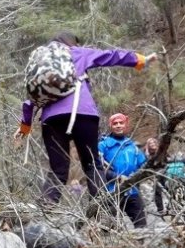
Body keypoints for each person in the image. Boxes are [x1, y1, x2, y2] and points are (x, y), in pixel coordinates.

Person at [15, 31, 156, 204]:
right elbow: (111, 56)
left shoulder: (40, 64)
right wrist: (140, 60)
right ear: (71, 42)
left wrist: (25, 127)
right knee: (92, 165)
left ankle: (44, 210)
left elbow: (31, 100)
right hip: (83, 114)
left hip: (52, 120)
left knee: (58, 169)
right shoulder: (76, 52)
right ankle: (102, 212)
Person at [98, 113, 147, 228]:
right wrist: (117, 177)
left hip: (132, 191)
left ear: (126, 125)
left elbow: (144, 166)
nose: (118, 125)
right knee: (108, 229)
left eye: (121, 123)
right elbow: (98, 168)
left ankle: (141, 245)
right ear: (111, 126)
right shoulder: (103, 145)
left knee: (142, 226)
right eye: (115, 123)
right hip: (111, 192)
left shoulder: (133, 146)